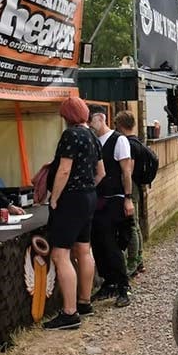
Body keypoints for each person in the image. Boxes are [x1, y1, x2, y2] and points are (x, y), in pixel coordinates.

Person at [43, 97, 104, 330]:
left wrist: (55, 197)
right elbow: (101, 172)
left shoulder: (71, 135)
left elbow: (64, 169)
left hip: (71, 198)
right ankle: (84, 302)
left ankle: (70, 313)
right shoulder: (92, 136)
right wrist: (88, 188)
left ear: (67, 116)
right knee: (83, 249)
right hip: (89, 196)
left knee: (60, 254)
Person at [88, 104, 134, 308]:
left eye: (91, 120)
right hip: (97, 198)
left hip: (114, 197)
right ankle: (109, 282)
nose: (89, 124)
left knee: (110, 243)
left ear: (100, 118)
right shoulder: (94, 141)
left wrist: (128, 197)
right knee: (98, 242)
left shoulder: (119, 140)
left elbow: (126, 172)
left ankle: (123, 286)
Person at [114, 111, 145, 277]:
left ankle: (132, 262)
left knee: (132, 225)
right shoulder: (138, 141)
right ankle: (139, 259)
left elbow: (128, 170)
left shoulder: (128, 144)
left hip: (130, 188)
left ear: (120, 125)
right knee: (136, 225)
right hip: (137, 187)